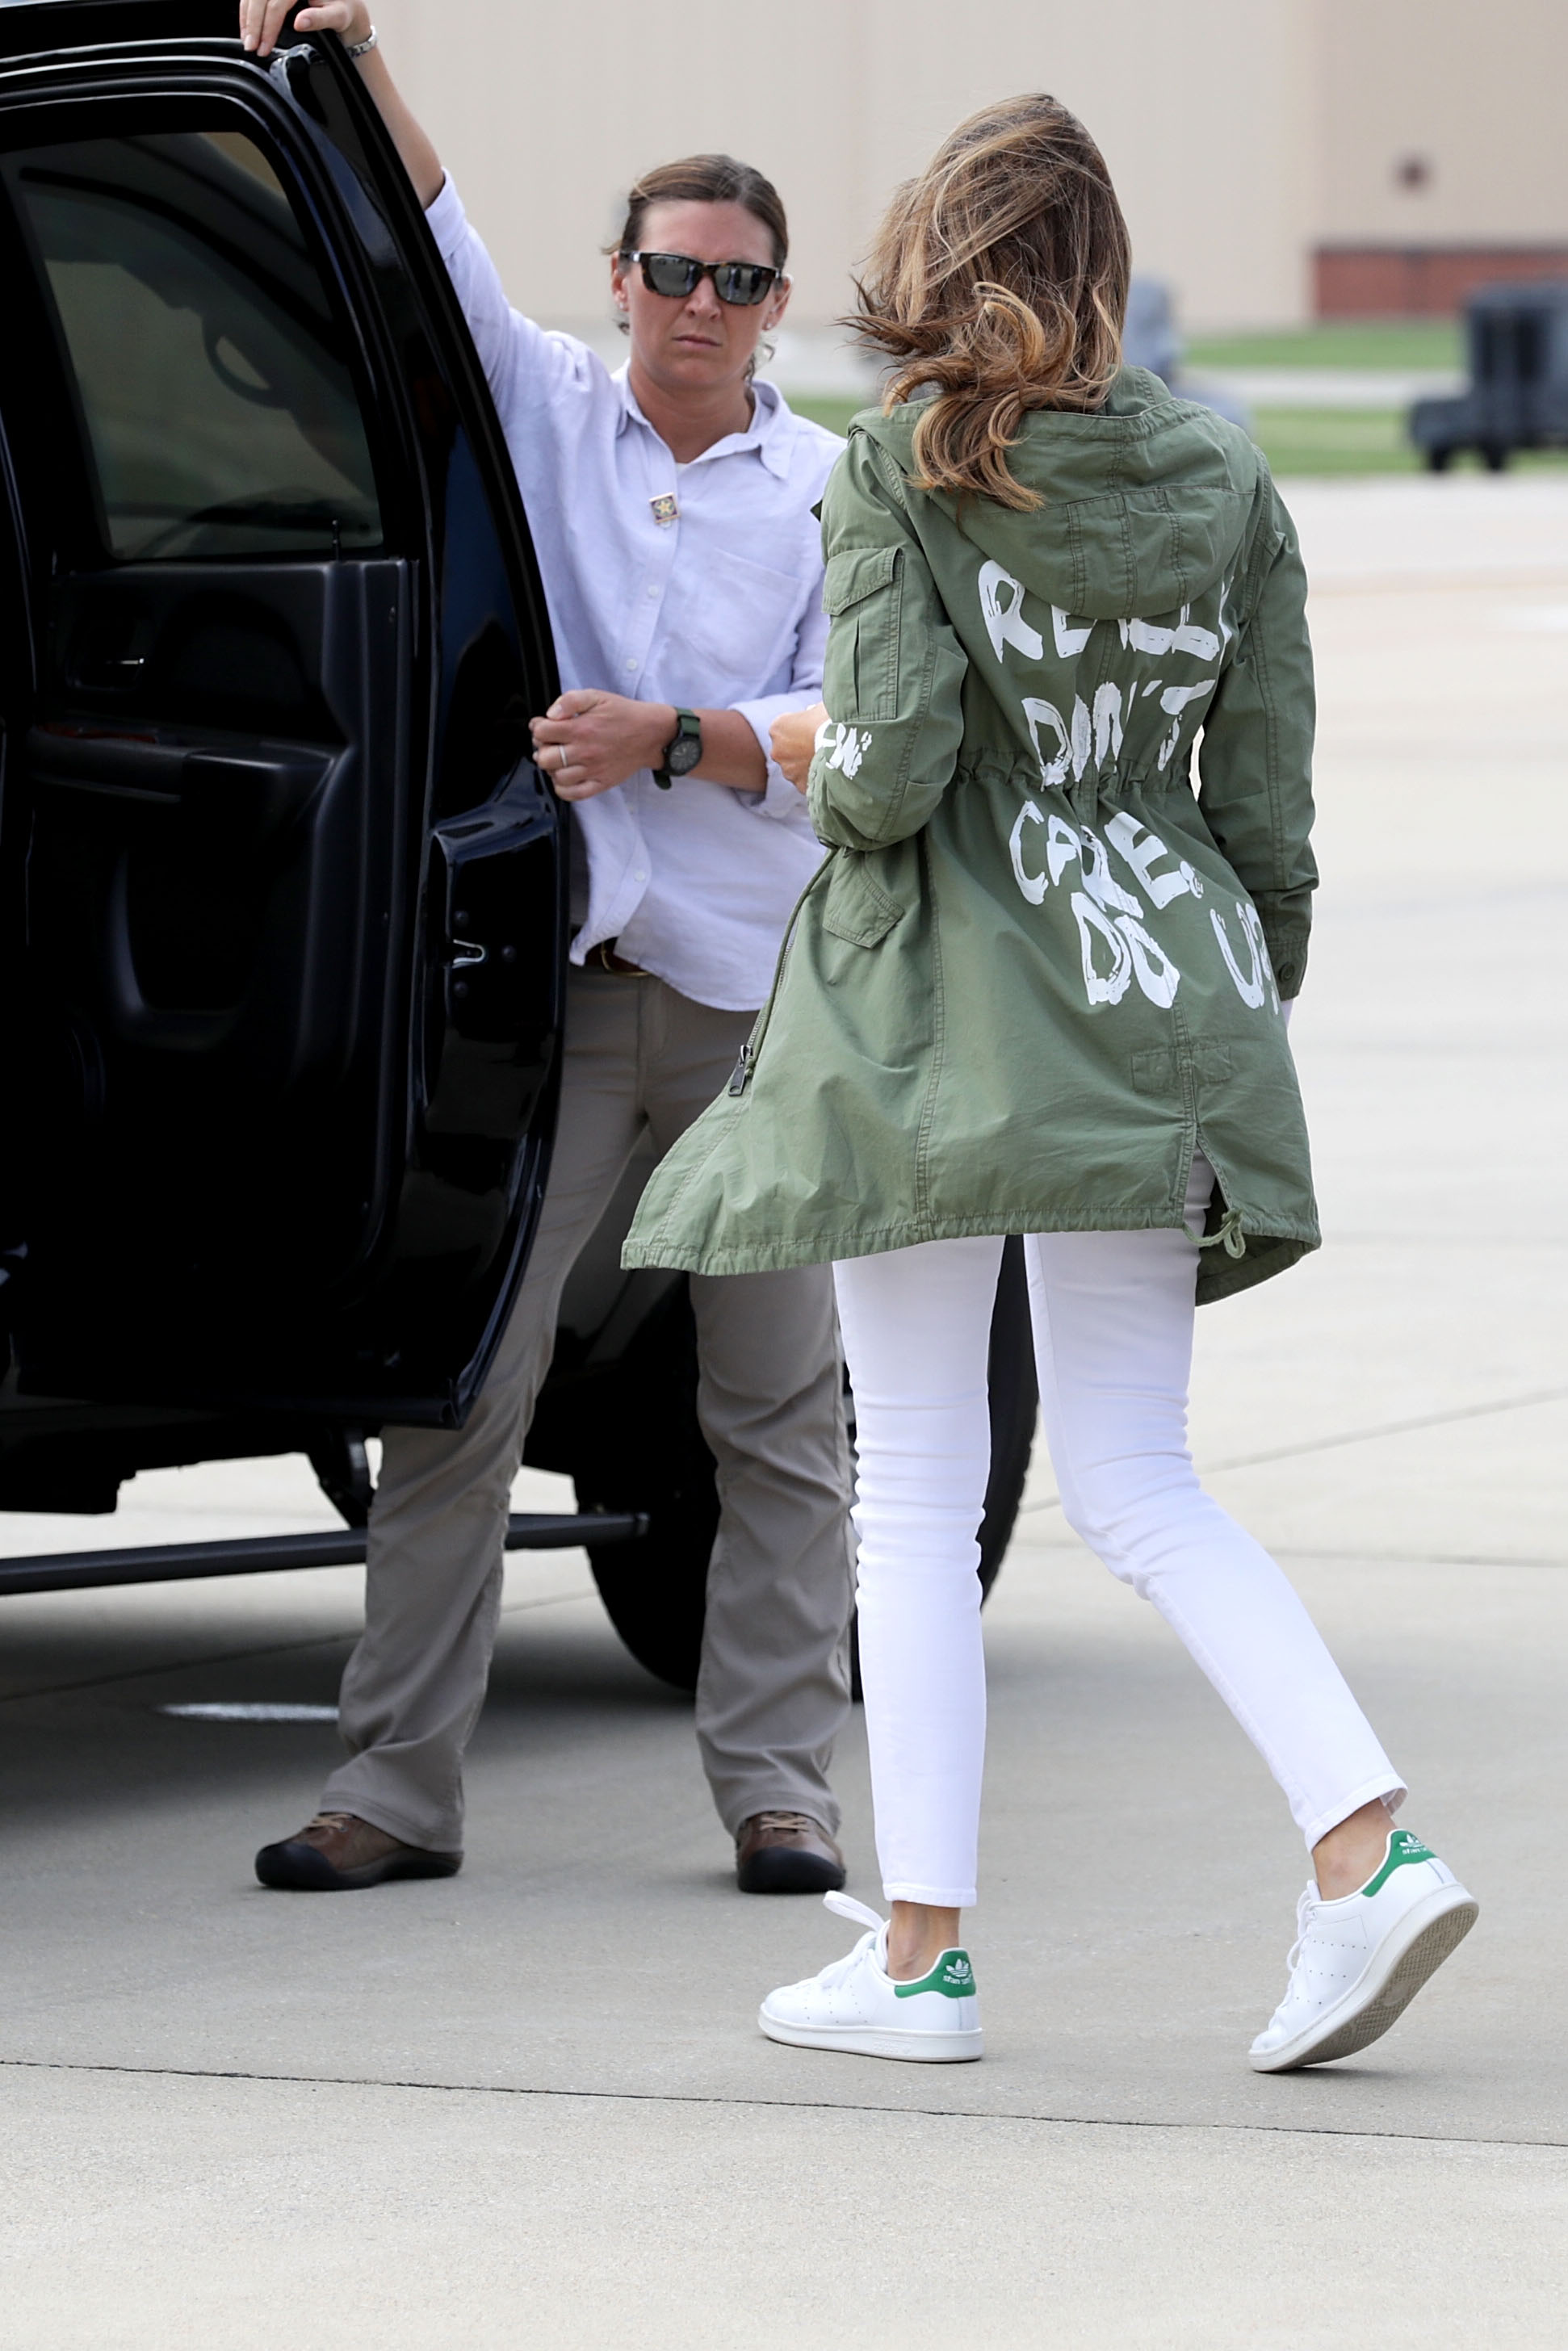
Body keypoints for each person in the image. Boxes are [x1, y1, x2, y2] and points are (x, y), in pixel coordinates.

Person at [624, 95, 1478, 2065]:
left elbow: (896, 772)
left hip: (939, 1026)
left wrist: (783, 753)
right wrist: (1224, 1004)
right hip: (1158, 998)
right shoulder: (1220, 468)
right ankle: (1360, 1840)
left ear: (937, 259)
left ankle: (921, 1956)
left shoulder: (898, 472)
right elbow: (1261, 809)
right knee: (1142, 1475)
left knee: (909, 1492)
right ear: (1097, 261)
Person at [241, 2, 855, 1896]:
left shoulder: (835, 489)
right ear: (622, 278)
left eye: (736, 281)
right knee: (463, 1392)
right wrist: (337, 52)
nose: (699, 302)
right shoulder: (543, 406)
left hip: (758, 1022)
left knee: (776, 1421)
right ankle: (391, 1792)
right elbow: (427, 231)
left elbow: (865, 738)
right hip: (576, 1007)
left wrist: (674, 739)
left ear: (770, 305)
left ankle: (778, 1790)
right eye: (670, 269)